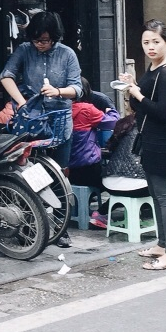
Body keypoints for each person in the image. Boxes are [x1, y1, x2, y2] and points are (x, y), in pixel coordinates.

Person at [118, 19, 166, 271]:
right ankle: (162, 244)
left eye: (156, 42)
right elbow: (140, 106)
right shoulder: (153, 68)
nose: (151, 47)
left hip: (162, 140)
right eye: (146, 42)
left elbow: (164, 113)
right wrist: (133, 86)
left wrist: (137, 93)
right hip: (149, 138)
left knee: (165, 197)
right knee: (156, 194)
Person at [0, 11, 83, 170]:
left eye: (44, 40)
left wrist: (57, 91)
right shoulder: (24, 50)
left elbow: (77, 89)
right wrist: (22, 102)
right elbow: (6, 76)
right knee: (27, 168)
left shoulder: (67, 54)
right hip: (31, 119)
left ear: (54, 37)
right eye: (35, 40)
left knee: (59, 169)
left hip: (59, 121)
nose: (39, 44)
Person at [67, 80, 120, 233]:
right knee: (118, 183)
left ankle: (81, 208)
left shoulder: (60, 110)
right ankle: (100, 214)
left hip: (67, 170)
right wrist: (111, 111)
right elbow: (112, 123)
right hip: (87, 169)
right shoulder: (86, 109)